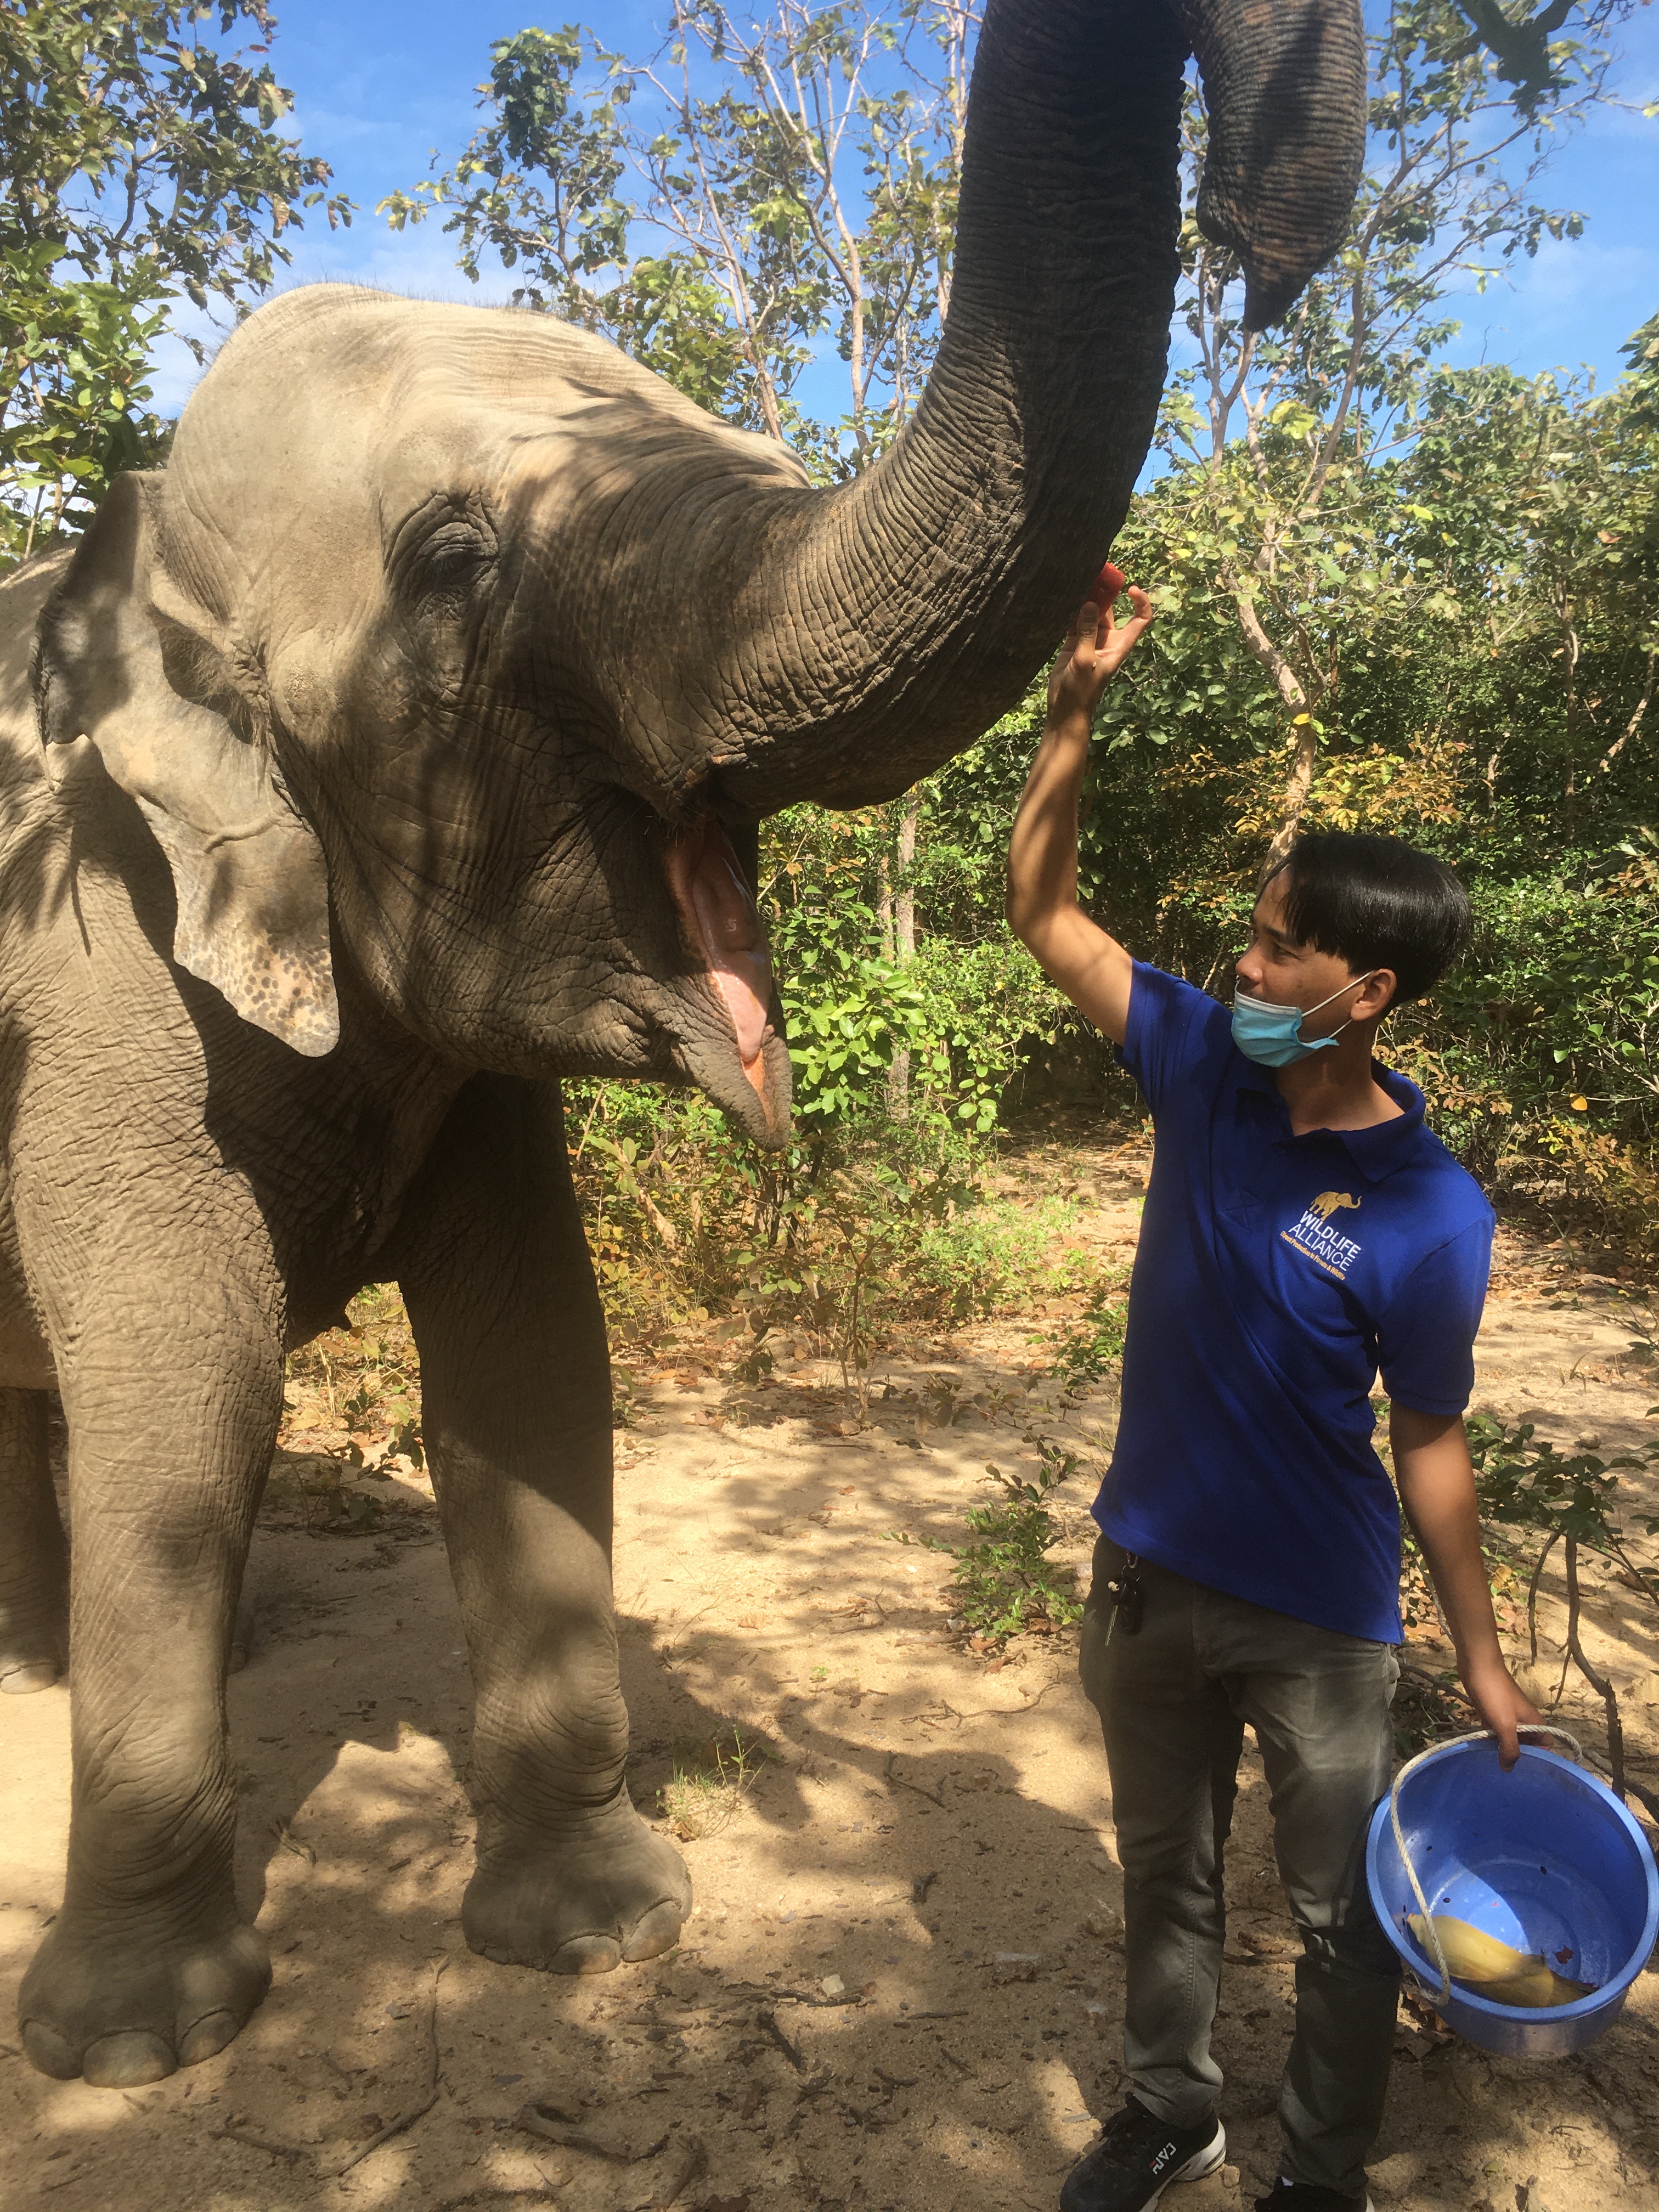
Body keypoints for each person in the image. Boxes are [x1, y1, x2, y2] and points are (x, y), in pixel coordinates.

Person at [1005, 584, 1539, 2212]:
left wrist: (1479, 1654)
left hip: (1317, 1615)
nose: (1242, 963)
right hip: (1147, 1578)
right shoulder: (1201, 1061)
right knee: (1162, 1876)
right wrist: (1073, 709)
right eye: (1251, 933)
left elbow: (1427, 1439)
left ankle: (1318, 2176)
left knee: (1340, 1922)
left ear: (1364, 990)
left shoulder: (1433, 1212)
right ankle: (1171, 2113)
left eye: (1278, 945)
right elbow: (1044, 912)